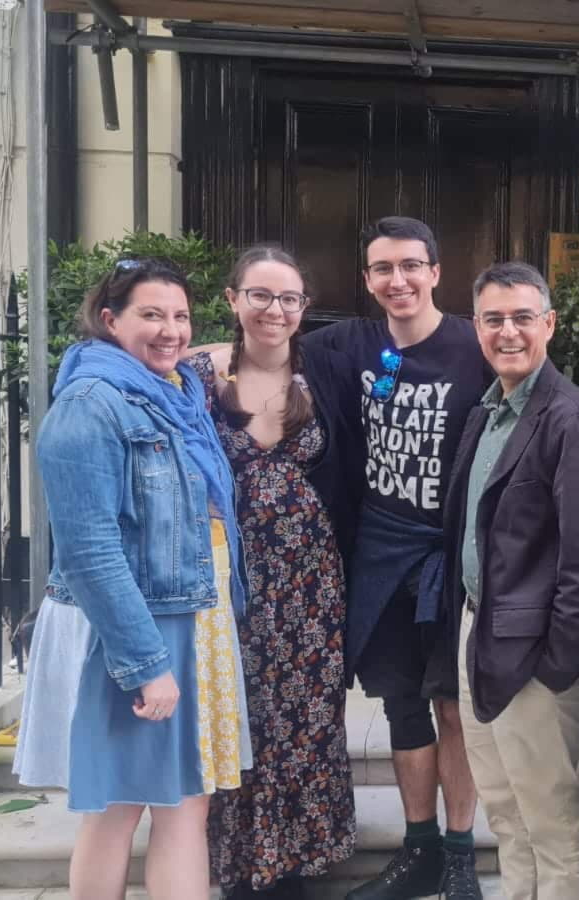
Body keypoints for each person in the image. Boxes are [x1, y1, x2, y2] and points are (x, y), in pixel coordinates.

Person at [15, 257, 251, 899]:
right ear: (110, 320)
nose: (171, 330)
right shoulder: (89, 406)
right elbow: (89, 551)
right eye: (151, 314)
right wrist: (146, 663)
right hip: (135, 627)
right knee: (118, 807)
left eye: (180, 316)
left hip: (191, 615)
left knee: (185, 803)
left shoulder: (175, 394)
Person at [299, 217, 494, 900]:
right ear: (368, 279)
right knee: (402, 705)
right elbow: (260, 343)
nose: (398, 279)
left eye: (411, 265)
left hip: (452, 555)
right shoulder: (349, 343)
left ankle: (461, 854)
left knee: (454, 707)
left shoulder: (474, 344)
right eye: (383, 268)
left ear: (436, 272)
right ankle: (420, 851)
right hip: (381, 552)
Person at [443, 261, 579, 899]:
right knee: (505, 811)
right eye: (493, 319)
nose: (508, 332)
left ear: (549, 324)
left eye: (522, 317)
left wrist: (558, 665)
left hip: (536, 656)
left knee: (549, 819)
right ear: (476, 327)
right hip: (480, 634)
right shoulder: (487, 412)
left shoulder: (574, 419)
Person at [191, 245, 356, 898]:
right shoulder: (198, 375)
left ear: (303, 308)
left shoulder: (326, 373)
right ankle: (241, 864)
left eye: (288, 298)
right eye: (259, 295)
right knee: (238, 712)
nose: (275, 310)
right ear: (233, 300)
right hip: (227, 576)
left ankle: (296, 862)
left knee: (305, 717)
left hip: (312, 580)